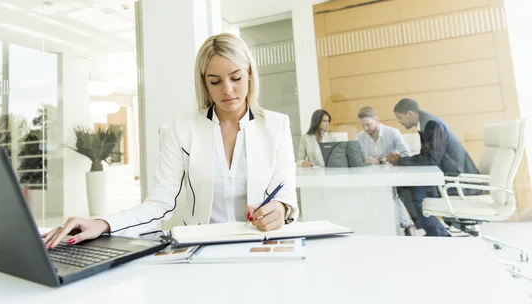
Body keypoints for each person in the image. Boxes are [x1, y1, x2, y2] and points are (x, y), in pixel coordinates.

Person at [42, 33, 298, 248]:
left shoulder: (277, 126)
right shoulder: (182, 128)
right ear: (204, 83)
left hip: (261, 247)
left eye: (236, 77)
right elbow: (159, 205)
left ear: (250, 73)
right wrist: (104, 223)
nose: (227, 89)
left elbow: (286, 197)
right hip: (199, 248)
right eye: (215, 81)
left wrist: (281, 209)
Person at [387, 98, 480, 237]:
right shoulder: (426, 124)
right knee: (405, 188)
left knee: (413, 191)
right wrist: (402, 160)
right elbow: (427, 155)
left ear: (410, 113)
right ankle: (434, 231)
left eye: (400, 118)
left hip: (455, 177)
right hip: (445, 173)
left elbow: (431, 158)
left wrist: (400, 160)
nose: (399, 122)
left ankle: (438, 233)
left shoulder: (433, 125)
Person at [356, 106, 416, 236]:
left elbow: (406, 154)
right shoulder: (360, 137)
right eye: (363, 126)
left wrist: (381, 161)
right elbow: (359, 157)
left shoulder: (392, 132)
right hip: (371, 176)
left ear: (377, 120)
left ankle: (407, 224)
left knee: (389, 193)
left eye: (368, 125)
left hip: (392, 174)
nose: (366, 129)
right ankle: (398, 225)